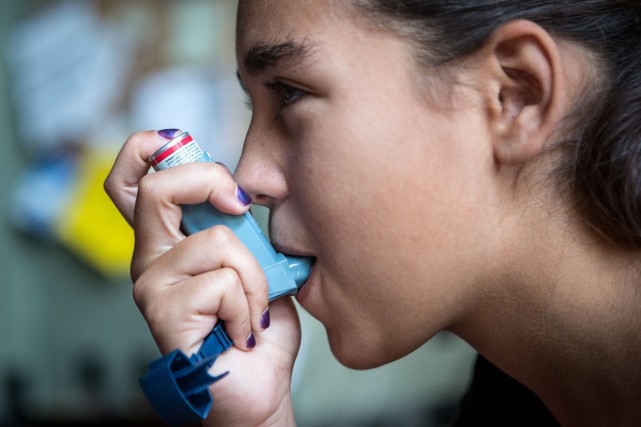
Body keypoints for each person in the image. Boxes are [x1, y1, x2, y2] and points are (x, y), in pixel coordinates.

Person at [104, 1, 641, 425]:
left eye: (289, 94)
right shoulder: (510, 402)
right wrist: (254, 418)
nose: (247, 178)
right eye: (255, 106)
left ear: (514, 95)